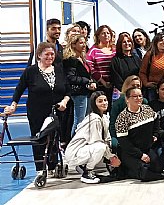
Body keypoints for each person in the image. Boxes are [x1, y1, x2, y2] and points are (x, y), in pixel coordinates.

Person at [6, 42, 71, 177]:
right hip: (36, 111)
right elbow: (19, 89)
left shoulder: (59, 69)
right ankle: (40, 168)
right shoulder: (31, 71)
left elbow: (67, 91)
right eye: (46, 54)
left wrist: (64, 101)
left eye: (52, 54)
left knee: (53, 139)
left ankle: (52, 166)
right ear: (39, 55)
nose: (50, 56)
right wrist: (13, 105)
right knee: (38, 139)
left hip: (57, 111)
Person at [65, 91, 120, 184]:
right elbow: (96, 142)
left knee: (106, 145)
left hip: (84, 150)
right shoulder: (94, 118)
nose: (104, 103)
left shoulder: (104, 118)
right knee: (100, 147)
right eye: (100, 101)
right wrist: (111, 157)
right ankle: (87, 172)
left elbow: (107, 139)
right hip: (74, 153)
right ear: (94, 104)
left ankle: (83, 165)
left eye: (105, 100)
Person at [115, 87, 164, 181]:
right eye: (135, 96)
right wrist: (140, 155)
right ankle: (127, 169)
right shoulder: (122, 117)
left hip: (146, 148)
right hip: (130, 152)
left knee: (158, 168)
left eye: (140, 96)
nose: (138, 98)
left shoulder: (147, 109)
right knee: (145, 172)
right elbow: (124, 142)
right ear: (127, 99)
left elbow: (156, 120)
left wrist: (155, 134)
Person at [63, 34, 97, 134]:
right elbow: (70, 77)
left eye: (84, 42)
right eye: (81, 43)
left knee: (84, 120)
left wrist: (90, 82)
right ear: (73, 45)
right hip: (78, 92)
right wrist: (87, 81)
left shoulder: (82, 58)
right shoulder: (71, 59)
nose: (84, 45)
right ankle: (74, 144)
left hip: (85, 91)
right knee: (79, 121)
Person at [140, 33, 164, 101]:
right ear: (156, 42)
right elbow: (142, 72)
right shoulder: (149, 55)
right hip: (153, 89)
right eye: (161, 40)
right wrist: (146, 83)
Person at [87, 25, 116, 104]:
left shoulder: (115, 49)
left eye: (108, 33)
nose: (106, 35)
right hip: (100, 86)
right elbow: (91, 68)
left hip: (115, 86)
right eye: (103, 33)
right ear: (98, 36)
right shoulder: (93, 50)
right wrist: (103, 82)